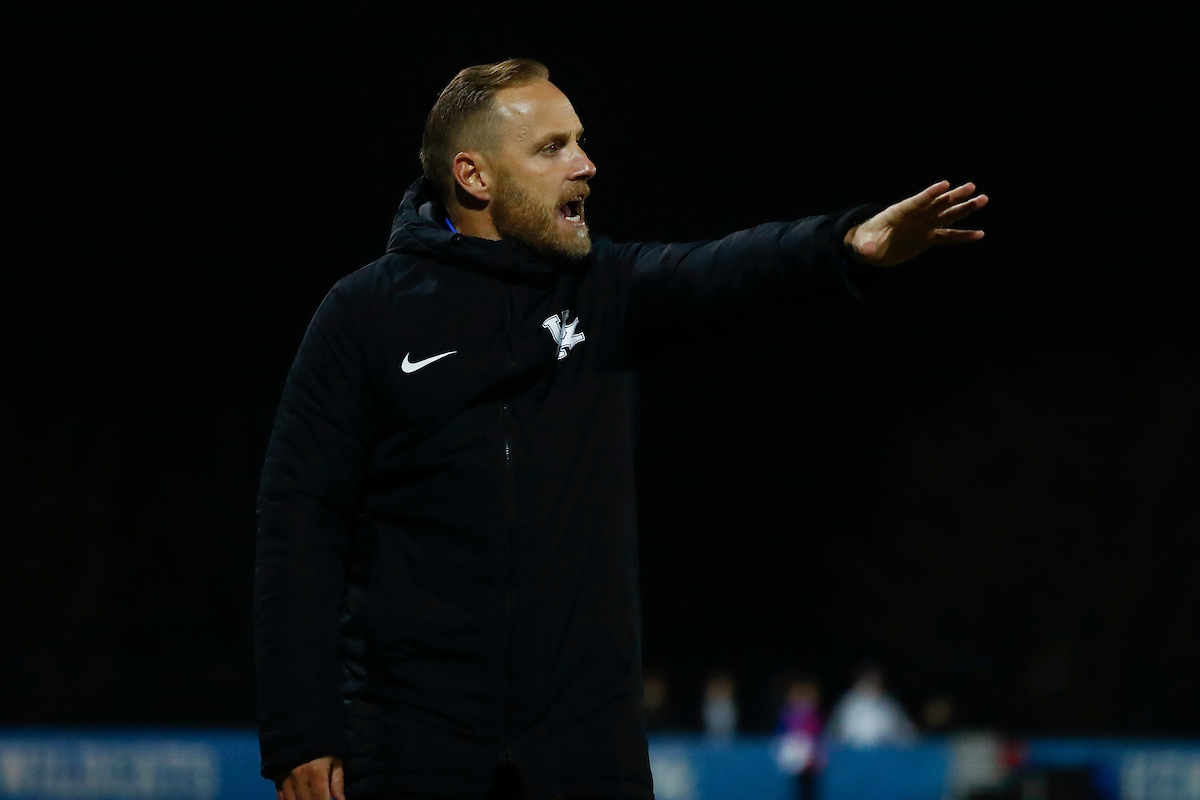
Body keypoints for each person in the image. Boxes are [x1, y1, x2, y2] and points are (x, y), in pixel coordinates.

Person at [254, 58, 987, 800]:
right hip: (409, 747)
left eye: (579, 141)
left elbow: (722, 270)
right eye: (552, 148)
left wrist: (845, 246)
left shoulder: (603, 290)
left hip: (586, 749)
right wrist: (302, 728)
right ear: (474, 177)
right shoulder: (362, 316)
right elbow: (299, 522)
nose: (586, 164)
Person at [826, 662, 918, 747]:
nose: (871, 682)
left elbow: (907, 733)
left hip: (883, 755)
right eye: (868, 678)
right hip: (852, 754)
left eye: (875, 678)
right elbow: (833, 732)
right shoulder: (847, 703)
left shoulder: (888, 704)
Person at [773, 676, 824, 800]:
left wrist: (815, 757)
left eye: (806, 696)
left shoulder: (815, 718)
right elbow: (779, 737)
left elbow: (819, 738)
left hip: (810, 764)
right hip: (790, 762)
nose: (801, 700)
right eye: (797, 695)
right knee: (791, 789)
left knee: (808, 789)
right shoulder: (786, 716)